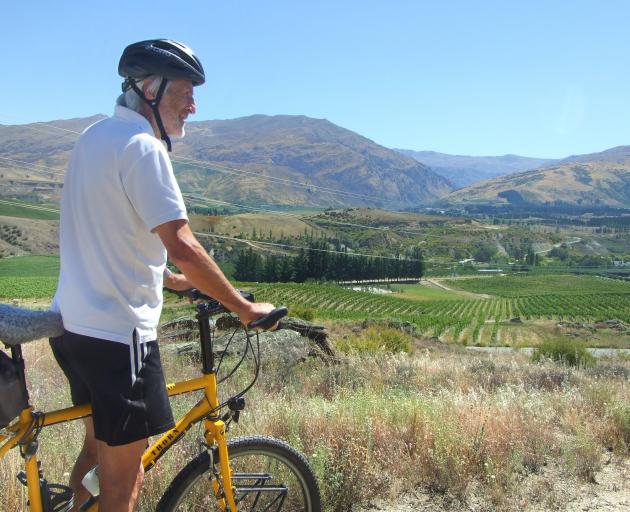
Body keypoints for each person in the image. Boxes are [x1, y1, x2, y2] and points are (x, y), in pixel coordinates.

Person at [50, 39, 276, 512]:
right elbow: (184, 245)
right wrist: (245, 307)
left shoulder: (95, 137)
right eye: (185, 92)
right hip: (119, 338)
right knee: (123, 483)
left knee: (95, 452)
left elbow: (111, 232)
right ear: (148, 89)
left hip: (73, 327)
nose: (193, 105)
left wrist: (170, 282)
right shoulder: (143, 149)